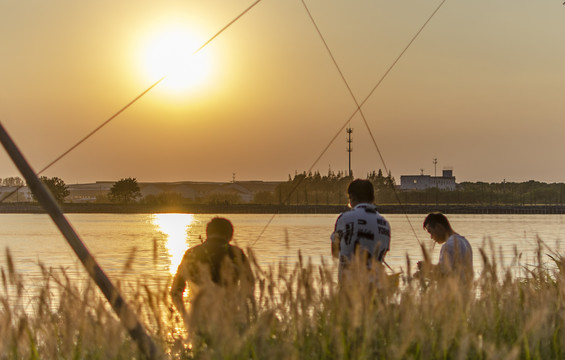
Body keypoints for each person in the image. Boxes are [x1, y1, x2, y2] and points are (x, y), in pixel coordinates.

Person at [171, 217, 254, 329]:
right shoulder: (237, 253)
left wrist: (186, 317)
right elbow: (250, 284)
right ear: (230, 236)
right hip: (230, 319)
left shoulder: (191, 253)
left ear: (207, 234)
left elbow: (175, 291)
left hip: (200, 319)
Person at [330, 179, 391, 282]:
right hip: (377, 288)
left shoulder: (344, 218)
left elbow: (335, 252)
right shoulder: (385, 224)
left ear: (352, 197)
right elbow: (382, 255)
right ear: (373, 198)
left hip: (349, 288)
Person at [417, 212, 473, 283]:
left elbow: (443, 275)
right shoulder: (464, 241)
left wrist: (422, 275)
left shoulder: (449, 245)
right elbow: (449, 269)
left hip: (453, 293)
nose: (431, 237)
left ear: (438, 227)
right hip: (465, 291)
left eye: (430, 232)